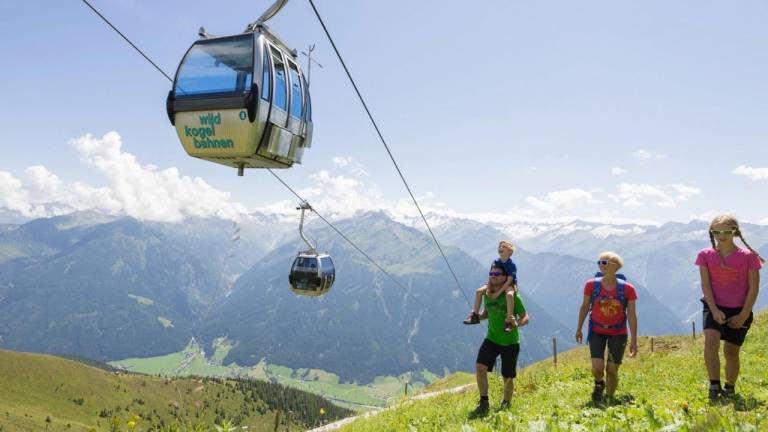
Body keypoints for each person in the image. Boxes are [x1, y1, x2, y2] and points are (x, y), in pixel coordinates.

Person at [696, 214, 763, 401]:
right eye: (717, 231)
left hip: (739, 309)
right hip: (713, 306)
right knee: (711, 340)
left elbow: (753, 288)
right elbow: (706, 285)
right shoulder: (705, 255)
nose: (722, 235)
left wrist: (743, 315)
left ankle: (730, 387)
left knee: (731, 351)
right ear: (712, 232)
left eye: (726, 231)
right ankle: (714, 386)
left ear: (735, 232)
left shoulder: (749, 257)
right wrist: (714, 309)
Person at [575, 251, 638, 403]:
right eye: (599, 262)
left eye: (605, 263)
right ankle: (599, 384)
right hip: (597, 331)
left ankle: (609, 399)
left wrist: (634, 340)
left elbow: (631, 315)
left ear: (615, 267)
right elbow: (584, 307)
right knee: (597, 369)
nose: (600, 265)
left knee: (612, 370)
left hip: (618, 333)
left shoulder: (628, 289)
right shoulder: (591, 285)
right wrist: (579, 328)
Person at [470, 263, 529, 416]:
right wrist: (477, 316)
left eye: (496, 274)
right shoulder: (487, 294)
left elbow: (525, 318)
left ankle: (506, 403)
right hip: (492, 339)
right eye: (491, 273)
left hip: (510, 342)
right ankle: (484, 402)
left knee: (507, 376)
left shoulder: (513, 296)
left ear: (504, 278)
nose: (493, 276)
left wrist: (517, 323)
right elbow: (486, 314)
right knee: (480, 366)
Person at [464, 240, 518, 332]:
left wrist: (497, 293)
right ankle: (475, 315)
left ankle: (509, 321)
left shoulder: (511, 265)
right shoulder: (496, 261)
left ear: (509, 251)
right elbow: (491, 275)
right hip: (495, 282)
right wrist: (488, 288)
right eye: (499, 247)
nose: (500, 248)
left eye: (503, 247)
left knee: (509, 295)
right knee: (479, 291)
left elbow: (509, 281)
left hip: (510, 284)